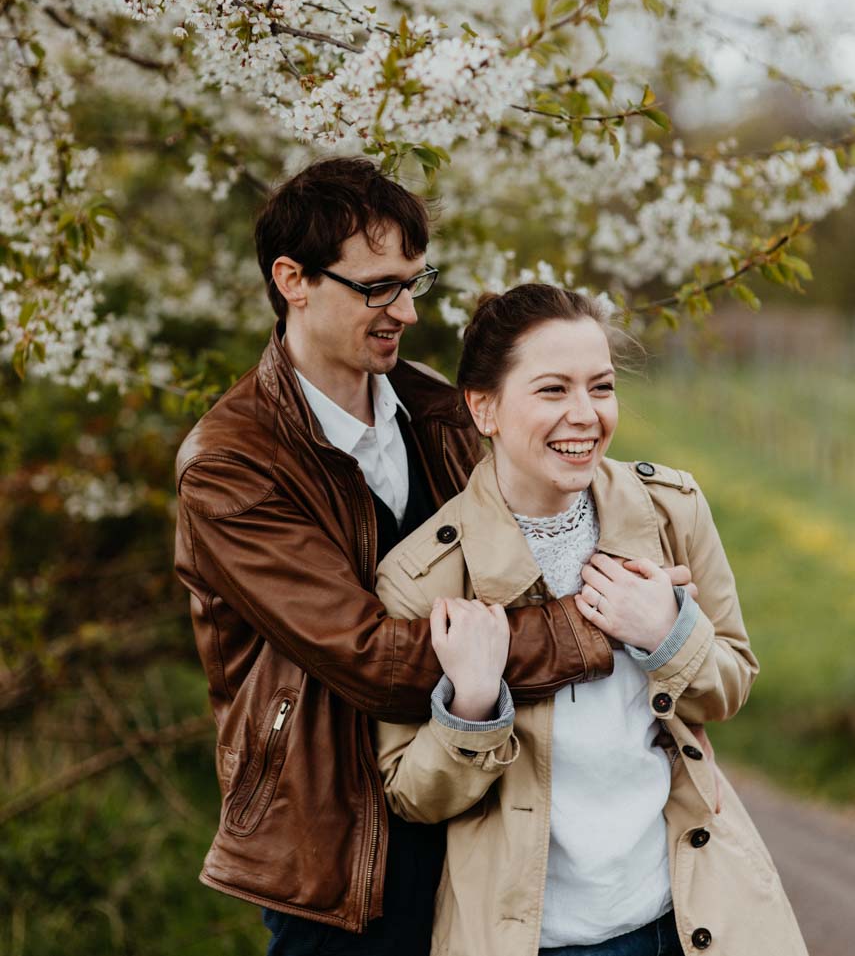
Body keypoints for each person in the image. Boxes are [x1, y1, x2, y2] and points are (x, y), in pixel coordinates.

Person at [174, 160, 630, 956]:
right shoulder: (230, 465)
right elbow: (372, 658)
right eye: (380, 287)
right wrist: (589, 629)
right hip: (337, 847)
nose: (408, 311)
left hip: (477, 797)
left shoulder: (440, 411)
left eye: (415, 282)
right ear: (293, 280)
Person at [375, 283, 808, 956]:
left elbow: (730, 684)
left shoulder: (672, 509)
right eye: (552, 390)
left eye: (600, 387)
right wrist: (473, 704)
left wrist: (667, 632)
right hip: (532, 938)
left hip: (687, 915)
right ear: (482, 406)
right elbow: (411, 795)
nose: (584, 414)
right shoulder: (421, 575)